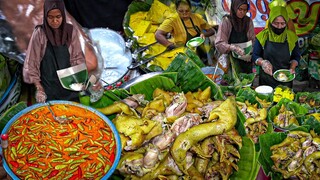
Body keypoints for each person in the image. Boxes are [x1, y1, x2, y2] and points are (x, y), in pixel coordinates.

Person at [23, 0, 97, 103]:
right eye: (50, 17)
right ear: (45, 16)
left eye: (58, 17)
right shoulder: (39, 33)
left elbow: (77, 58)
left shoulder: (71, 31)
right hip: (49, 86)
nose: (54, 21)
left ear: (63, 15)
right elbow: (32, 63)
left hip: (69, 84)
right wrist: (39, 88)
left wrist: (81, 79)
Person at [252, 5, 300, 88]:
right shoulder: (262, 36)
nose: (279, 27)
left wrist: (292, 67)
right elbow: (255, 55)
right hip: (266, 79)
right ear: (270, 21)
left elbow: (296, 57)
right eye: (276, 23)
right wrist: (263, 63)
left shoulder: (292, 37)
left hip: (286, 79)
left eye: (282, 23)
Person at [215, 0, 255, 74]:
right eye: (240, 9)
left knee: (247, 80)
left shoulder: (248, 21)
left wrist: (250, 53)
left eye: (244, 10)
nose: (242, 12)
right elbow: (219, 43)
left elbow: (252, 40)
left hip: (245, 59)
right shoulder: (226, 21)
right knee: (234, 81)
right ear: (234, 7)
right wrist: (232, 47)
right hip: (231, 59)